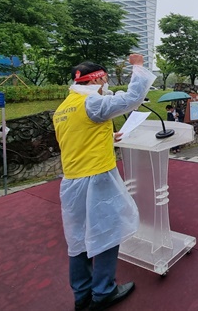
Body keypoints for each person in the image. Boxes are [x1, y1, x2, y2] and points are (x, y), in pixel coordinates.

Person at [53, 53, 155, 311]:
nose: (106, 85)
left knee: (77, 240)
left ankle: (82, 295)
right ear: (97, 79)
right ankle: (104, 291)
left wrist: (108, 138)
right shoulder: (94, 102)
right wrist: (138, 67)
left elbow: (78, 140)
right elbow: (133, 98)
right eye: (106, 80)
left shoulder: (63, 109)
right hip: (97, 179)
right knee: (108, 232)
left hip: (72, 181)